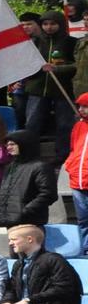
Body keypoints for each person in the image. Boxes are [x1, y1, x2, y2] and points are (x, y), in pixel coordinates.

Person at [25, 10, 78, 162]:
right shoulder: (33, 42)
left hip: (63, 89)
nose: (48, 27)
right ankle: (30, 156)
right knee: (32, 123)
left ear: (60, 25)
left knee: (65, 124)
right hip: (37, 89)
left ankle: (64, 156)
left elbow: (77, 65)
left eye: (53, 24)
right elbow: (24, 64)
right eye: (45, 24)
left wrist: (58, 69)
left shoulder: (71, 42)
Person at [0, 131, 58, 228]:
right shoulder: (10, 167)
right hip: (7, 221)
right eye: (7, 145)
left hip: (30, 223)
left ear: (24, 144)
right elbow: (4, 192)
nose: (8, 147)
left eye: (12, 144)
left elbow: (49, 194)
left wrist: (25, 211)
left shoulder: (41, 167)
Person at [65, 93, 88, 254]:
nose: (81, 109)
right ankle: (86, 249)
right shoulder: (78, 126)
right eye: (79, 106)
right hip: (77, 181)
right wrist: (70, 164)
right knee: (83, 219)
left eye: (85, 106)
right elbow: (74, 149)